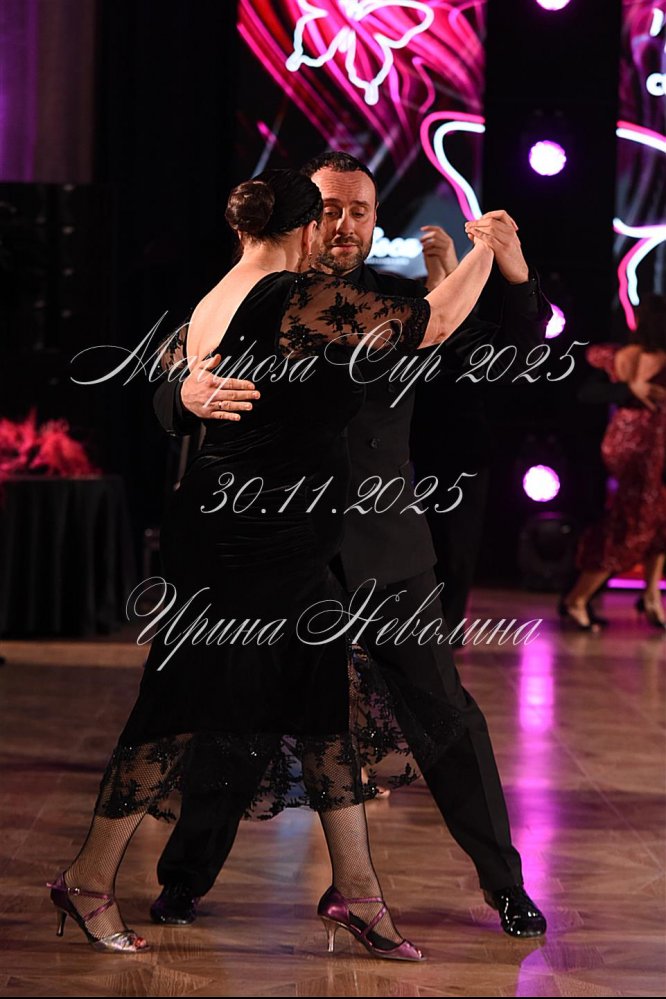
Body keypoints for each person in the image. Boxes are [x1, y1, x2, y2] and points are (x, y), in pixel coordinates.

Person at [47, 168, 498, 959]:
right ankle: (87, 877)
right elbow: (434, 323)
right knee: (174, 709)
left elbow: (192, 368)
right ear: (305, 229)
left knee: (322, 708)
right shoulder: (292, 297)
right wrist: (486, 246)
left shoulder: (222, 292)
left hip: (268, 536)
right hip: (247, 544)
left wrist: (188, 389)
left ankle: (358, 891)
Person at [151, 152, 550, 938]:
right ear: (302, 217)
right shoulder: (259, 292)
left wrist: (511, 270)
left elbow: (506, 355)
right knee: (240, 714)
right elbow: (170, 376)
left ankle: (505, 884)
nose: (341, 224)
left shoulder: (401, 300)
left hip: (384, 546)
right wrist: (184, 395)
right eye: (327, 209)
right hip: (279, 545)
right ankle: (184, 879)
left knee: (446, 716)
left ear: (374, 221)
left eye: (358, 211)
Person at [562, 294, 666, 630]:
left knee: (658, 521)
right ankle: (577, 597)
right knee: (635, 525)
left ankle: (651, 596)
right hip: (647, 448)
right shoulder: (659, 359)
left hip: (621, 437)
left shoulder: (620, 355)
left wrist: (628, 387)